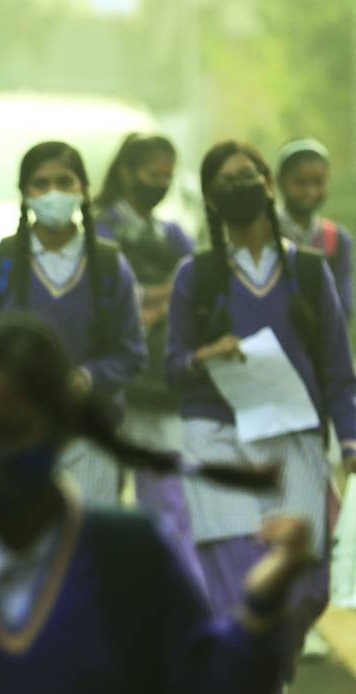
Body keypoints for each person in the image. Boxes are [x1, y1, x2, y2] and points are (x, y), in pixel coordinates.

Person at [0, 315, 308, 694]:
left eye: (7, 431)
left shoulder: (129, 553)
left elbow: (207, 681)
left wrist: (262, 608)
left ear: (60, 428)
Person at [166, 140, 356, 679]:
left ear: (269, 186)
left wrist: (349, 441)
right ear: (210, 198)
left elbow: (338, 368)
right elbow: (173, 367)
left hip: (294, 435)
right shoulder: (196, 275)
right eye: (225, 182)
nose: (240, 189)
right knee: (235, 578)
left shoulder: (309, 271)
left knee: (303, 584)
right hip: (216, 434)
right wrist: (206, 355)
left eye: (248, 176)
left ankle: (264, 671)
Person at [0, 141, 147, 506]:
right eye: (41, 183)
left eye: (64, 181)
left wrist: (88, 377)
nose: (54, 193)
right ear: (25, 193)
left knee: (88, 535)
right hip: (14, 433)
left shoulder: (109, 266)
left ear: (83, 189)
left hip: (90, 434)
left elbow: (131, 353)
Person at [95, 133, 202, 584]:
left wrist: (155, 299)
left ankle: (174, 591)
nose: (160, 183)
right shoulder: (99, 231)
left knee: (169, 501)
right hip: (106, 382)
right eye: (152, 173)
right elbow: (108, 301)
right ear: (127, 172)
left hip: (158, 387)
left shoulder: (171, 233)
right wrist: (159, 296)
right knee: (99, 497)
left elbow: (198, 286)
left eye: (166, 175)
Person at [276, 138, 353, 321]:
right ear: (281, 182)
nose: (310, 191)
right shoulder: (265, 233)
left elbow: (343, 303)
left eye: (318, 182)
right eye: (300, 183)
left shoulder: (336, 238)